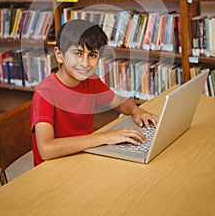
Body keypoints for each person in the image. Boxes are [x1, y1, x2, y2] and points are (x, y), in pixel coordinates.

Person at [31, 19, 158, 166]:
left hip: (83, 156)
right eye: (78, 53)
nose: (85, 64)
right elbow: (46, 149)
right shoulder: (45, 93)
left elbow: (120, 102)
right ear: (59, 55)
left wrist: (137, 111)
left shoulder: (91, 81)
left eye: (92, 55)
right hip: (53, 168)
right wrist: (104, 137)